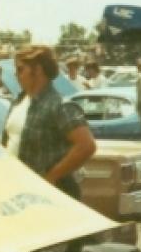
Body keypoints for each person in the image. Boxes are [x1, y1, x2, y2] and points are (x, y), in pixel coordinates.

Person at [12, 45, 96, 199]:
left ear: (37, 70)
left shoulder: (60, 106)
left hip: (51, 195)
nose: (15, 74)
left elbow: (86, 145)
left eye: (20, 69)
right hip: (19, 189)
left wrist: (51, 176)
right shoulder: (18, 103)